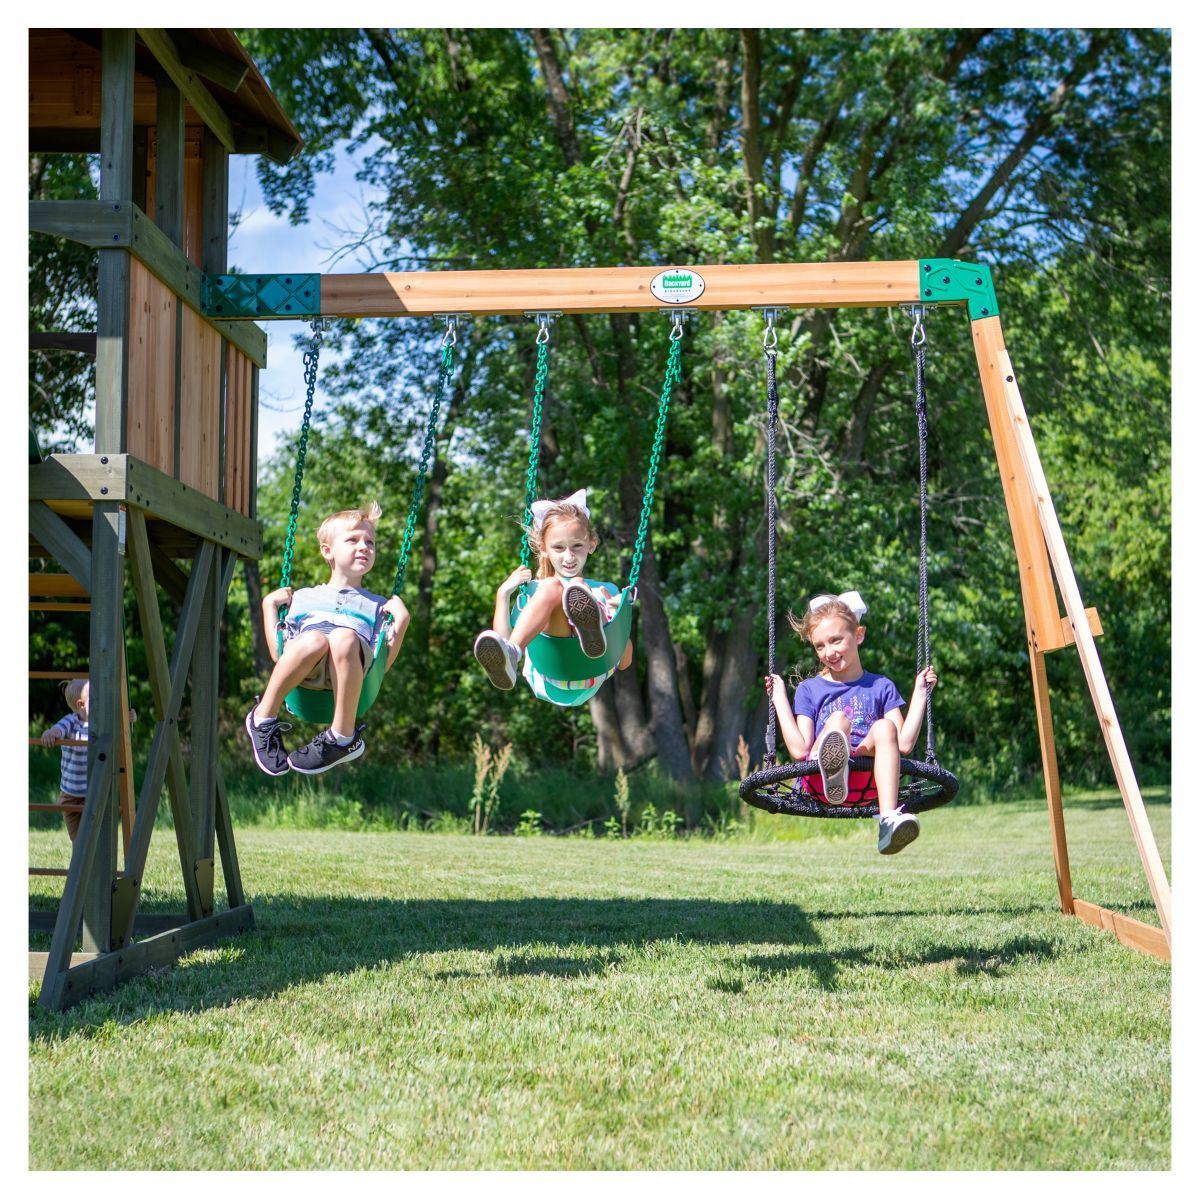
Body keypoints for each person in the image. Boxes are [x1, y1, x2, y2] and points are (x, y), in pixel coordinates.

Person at [764, 590, 938, 855]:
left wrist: (921, 693)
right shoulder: (810, 690)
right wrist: (779, 698)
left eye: (836, 641)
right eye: (820, 646)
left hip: (869, 783)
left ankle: (888, 819)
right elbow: (800, 751)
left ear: (858, 635)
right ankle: (834, 764)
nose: (828, 652)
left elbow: (902, 744)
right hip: (820, 783)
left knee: (885, 728)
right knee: (838, 721)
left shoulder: (881, 686)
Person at [245, 502, 409, 776]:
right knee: (314, 640)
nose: (364, 546)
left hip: (347, 678)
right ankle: (262, 718)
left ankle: (342, 737)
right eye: (353, 539)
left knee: (344, 638)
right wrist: (268, 606)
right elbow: (279, 655)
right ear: (328, 551)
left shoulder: (380, 606)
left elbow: (380, 668)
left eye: (370, 542)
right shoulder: (302, 598)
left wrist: (401, 623)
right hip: (305, 676)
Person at [473, 489, 633, 705]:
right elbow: (502, 636)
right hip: (554, 673)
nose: (569, 557)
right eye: (558, 548)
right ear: (543, 548)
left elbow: (624, 662)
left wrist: (620, 618)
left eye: (577, 546)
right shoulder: (535, 593)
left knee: (578, 587)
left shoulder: (606, 590)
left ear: (591, 545)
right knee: (555, 587)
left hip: (596, 666)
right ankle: (512, 654)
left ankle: (596, 632)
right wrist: (503, 594)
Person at [38, 680, 135, 842]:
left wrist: (129, 716)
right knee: (79, 843)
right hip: (70, 796)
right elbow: (59, 728)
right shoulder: (71, 721)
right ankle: (81, 865)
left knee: (96, 840)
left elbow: (120, 721)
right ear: (81, 704)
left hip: (92, 794)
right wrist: (51, 732)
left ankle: (94, 865)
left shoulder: (102, 722)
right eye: (96, 699)